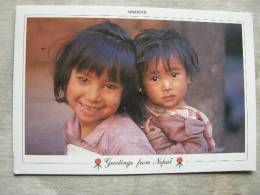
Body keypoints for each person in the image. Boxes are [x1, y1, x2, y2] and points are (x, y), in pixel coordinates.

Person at [53, 21, 155, 156]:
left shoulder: (128, 145)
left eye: (109, 86)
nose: (93, 96)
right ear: (66, 75)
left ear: (125, 92)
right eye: (84, 80)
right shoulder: (73, 126)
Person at [134, 28, 215, 154]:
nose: (166, 86)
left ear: (188, 76)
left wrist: (159, 142)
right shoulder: (141, 104)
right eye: (154, 78)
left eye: (174, 75)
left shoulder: (189, 121)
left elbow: (194, 153)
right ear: (141, 83)